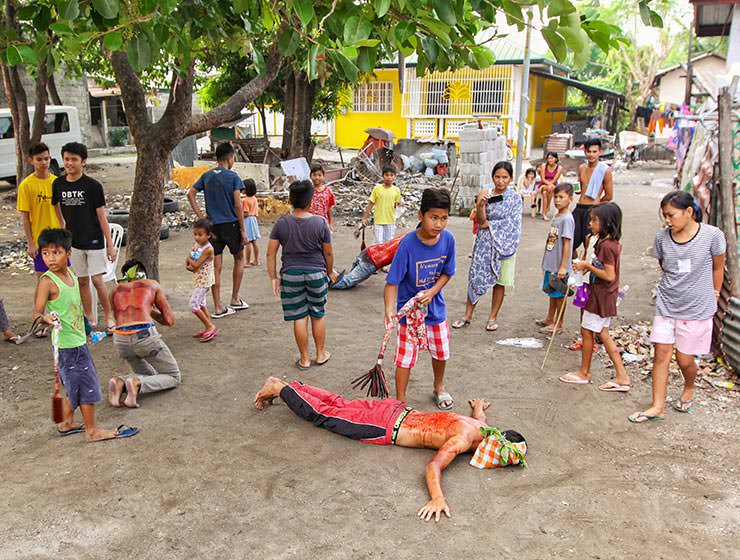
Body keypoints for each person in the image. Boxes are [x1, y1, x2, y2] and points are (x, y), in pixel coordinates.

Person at [253, 376, 526, 522]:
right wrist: (437, 498)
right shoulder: (463, 440)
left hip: (394, 408)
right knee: (326, 416)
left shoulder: (479, 428)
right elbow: (434, 466)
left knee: (339, 403)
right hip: (385, 425)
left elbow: (480, 417)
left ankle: (291, 386)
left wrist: (479, 405)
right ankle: (280, 389)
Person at [629, 192, 726, 423]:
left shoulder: (712, 236)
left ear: (689, 212)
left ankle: (689, 386)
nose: (667, 221)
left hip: (697, 308)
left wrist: (714, 293)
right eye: (664, 216)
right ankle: (657, 406)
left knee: (684, 360)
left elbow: (718, 267)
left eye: (671, 215)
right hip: (667, 305)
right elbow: (664, 265)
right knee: (660, 355)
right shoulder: (662, 238)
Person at [33, 228, 138, 441]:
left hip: (78, 340)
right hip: (67, 346)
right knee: (85, 384)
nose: (50, 258)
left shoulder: (71, 274)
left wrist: (87, 329)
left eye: (56, 252)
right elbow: (37, 312)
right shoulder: (47, 281)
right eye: (45, 253)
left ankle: (65, 423)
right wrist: (46, 319)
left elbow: (76, 307)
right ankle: (91, 431)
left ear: (68, 254)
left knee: (75, 384)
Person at [384, 188, 456, 409]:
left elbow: (447, 272)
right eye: (434, 217)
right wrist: (390, 314)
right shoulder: (407, 244)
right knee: (404, 358)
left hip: (435, 310)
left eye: (444, 218)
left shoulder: (448, 239)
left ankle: (439, 387)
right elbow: (391, 283)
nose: (439, 224)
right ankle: (400, 401)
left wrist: (433, 291)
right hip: (409, 314)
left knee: (441, 351)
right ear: (421, 215)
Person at [267, 180, 338, 371]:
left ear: (290, 199)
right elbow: (328, 253)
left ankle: (305, 358)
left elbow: (271, 253)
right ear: (311, 201)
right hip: (316, 274)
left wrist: (274, 277)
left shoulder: (282, 223)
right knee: (317, 313)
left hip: (291, 275)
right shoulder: (320, 222)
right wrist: (330, 271)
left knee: (299, 316)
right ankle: (321, 354)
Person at [559, 203, 630, 392]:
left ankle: (585, 372)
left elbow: (609, 275)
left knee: (587, 331)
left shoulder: (607, 246)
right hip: (600, 293)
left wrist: (587, 267)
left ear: (607, 222)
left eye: (594, 220)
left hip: (600, 294)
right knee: (603, 334)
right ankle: (622, 375)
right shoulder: (604, 242)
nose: (590, 224)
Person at [51, 142, 116, 331]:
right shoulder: (58, 183)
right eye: (66, 159)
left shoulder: (93, 186)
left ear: (84, 162)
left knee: (97, 280)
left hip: (94, 240)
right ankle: (89, 318)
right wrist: (61, 227)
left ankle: (109, 316)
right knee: (81, 280)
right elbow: (55, 204)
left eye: (74, 159)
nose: (70, 163)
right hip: (73, 241)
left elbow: (102, 216)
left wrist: (109, 245)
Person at [453, 162, 522, 332]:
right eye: (497, 177)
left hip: (505, 245)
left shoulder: (515, 198)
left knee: (500, 281)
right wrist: (481, 205)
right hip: (485, 244)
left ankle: (492, 318)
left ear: (510, 178)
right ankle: (467, 315)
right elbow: (482, 223)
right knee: (476, 277)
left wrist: (492, 225)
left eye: (504, 177)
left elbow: (513, 224)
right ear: (492, 177)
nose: (500, 181)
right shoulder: (485, 194)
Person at [187, 142, 249, 318]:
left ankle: (218, 307)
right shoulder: (233, 177)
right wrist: (243, 230)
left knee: (216, 266)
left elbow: (190, 194)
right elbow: (238, 204)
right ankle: (235, 299)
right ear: (230, 158)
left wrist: (201, 217)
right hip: (231, 224)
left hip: (213, 226)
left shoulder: (206, 176)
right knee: (238, 258)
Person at [108, 259, 181, 408]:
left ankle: (120, 382)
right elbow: (169, 320)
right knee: (173, 376)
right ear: (144, 274)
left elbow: (119, 320)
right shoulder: (151, 284)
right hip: (144, 336)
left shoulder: (115, 291)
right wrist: (149, 309)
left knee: (151, 377)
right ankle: (136, 384)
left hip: (120, 339)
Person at [16, 142, 60, 276]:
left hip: (58, 239)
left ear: (50, 158)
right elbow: (25, 217)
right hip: (40, 241)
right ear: (31, 161)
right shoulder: (26, 186)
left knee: (63, 279)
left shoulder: (56, 182)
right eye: (39, 159)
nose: (43, 163)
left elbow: (62, 212)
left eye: (46, 159)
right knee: (44, 279)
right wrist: (31, 243)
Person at [537, 183, 575, 334]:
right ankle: (550, 318)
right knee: (552, 291)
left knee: (559, 294)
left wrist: (563, 266)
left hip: (559, 265)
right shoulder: (557, 216)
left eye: (561, 197)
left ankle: (559, 323)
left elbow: (567, 244)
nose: (557, 200)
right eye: (556, 197)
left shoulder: (567, 219)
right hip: (551, 262)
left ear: (570, 199)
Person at [573, 139, 613, 257]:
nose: (591, 154)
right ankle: (573, 266)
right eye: (589, 151)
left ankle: (587, 271)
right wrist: (577, 189)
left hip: (593, 209)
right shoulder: (581, 168)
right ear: (585, 152)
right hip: (579, 207)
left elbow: (609, 195)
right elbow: (579, 187)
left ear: (600, 152)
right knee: (569, 240)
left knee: (589, 244)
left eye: (594, 151)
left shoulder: (605, 170)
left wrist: (597, 203)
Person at [331, 234, 403, 290]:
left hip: (369, 251)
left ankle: (331, 274)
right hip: (372, 261)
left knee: (350, 278)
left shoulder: (408, 236)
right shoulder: (411, 244)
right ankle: (326, 280)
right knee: (347, 282)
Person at [186, 219, 217, 341]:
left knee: (193, 305)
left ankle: (210, 326)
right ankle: (208, 326)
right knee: (202, 304)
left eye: (200, 235)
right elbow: (190, 264)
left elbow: (194, 263)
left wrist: (190, 260)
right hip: (199, 279)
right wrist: (190, 263)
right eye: (195, 234)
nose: (197, 238)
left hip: (204, 282)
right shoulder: (197, 245)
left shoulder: (208, 249)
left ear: (208, 235)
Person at [361, 165, 402, 245]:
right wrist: (364, 218)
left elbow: (397, 206)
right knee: (378, 242)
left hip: (390, 221)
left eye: (391, 175)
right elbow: (370, 204)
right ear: (383, 176)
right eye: (387, 175)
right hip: (378, 220)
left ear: (395, 177)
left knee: (388, 243)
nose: (389, 177)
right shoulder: (377, 188)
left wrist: (399, 210)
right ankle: (376, 257)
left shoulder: (396, 190)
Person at [308, 163, 336, 230]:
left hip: (323, 224)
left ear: (323, 176)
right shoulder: (307, 191)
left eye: (319, 175)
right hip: (309, 223)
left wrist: (330, 223)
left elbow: (329, 209)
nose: (317, 177)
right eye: (314, 175)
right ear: (310, 176)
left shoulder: (328, 191)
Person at [240, 179, 261, 267]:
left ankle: (247, 262)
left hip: (247, 220)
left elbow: (245, 213)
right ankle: (256, 260)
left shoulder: (245, 200)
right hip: (254, 220)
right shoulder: (254, 199)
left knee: (247, 242)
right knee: (254, 242)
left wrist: (239, 215)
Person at [537, 152, 562, 221]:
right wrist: (548, 185)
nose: (550, 160)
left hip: (553, 185)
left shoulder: (559, 168)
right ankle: (547, 208)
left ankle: (544, 212)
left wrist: (550, 185)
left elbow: (555, 180)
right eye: (548, 158)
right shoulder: (543, 166)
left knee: (546, 192)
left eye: (552, 158)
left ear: (556, 159)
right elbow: (543, 179)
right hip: (543, 184)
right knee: (547, 190)